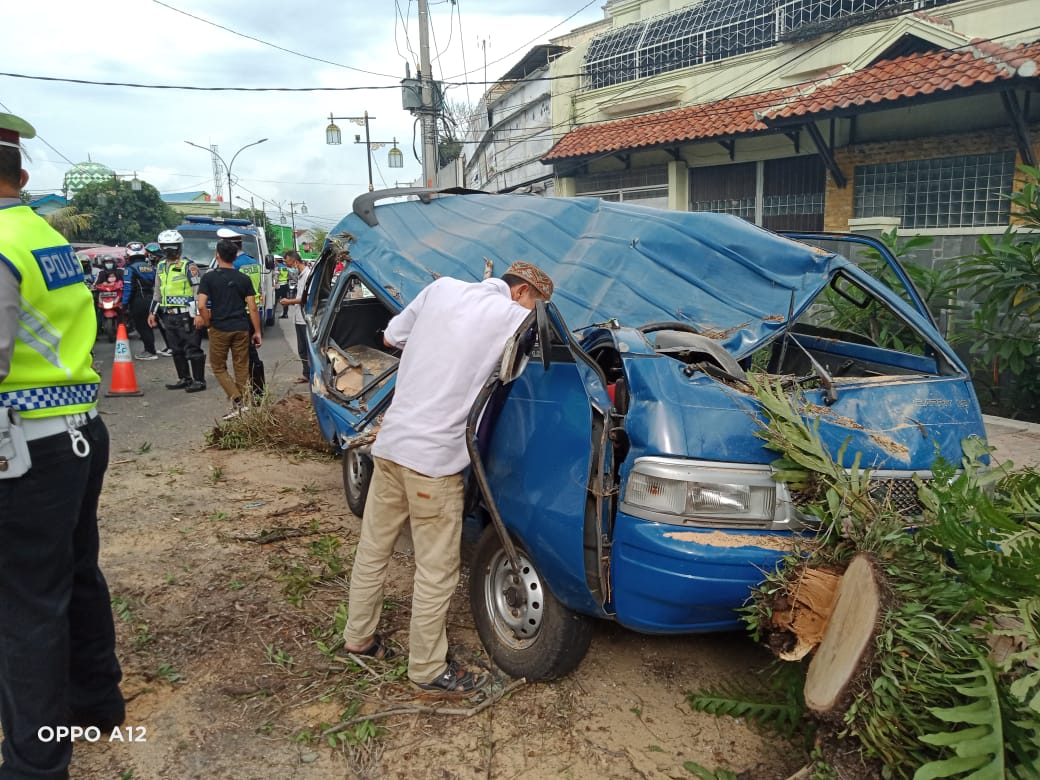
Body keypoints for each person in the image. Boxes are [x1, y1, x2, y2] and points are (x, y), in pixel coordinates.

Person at [341, 260, 554, 696]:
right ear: (523, 294)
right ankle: (426, 669)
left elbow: (391, 336)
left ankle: (358, 639)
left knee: (373, 548)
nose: (534, 311)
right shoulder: (516, 319)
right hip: (433, 464)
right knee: (436, 571)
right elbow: (515, 374)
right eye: (537, 303)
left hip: (391, 447)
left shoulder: (441, 291)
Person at [0, 111, 125, 779]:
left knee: (23, 606)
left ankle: (32, 763)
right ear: (20, 175)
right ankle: (95, 701)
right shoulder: (40, 235)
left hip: (23, 452)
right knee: (75, 574)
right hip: (77, 432)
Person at [197, 239, 262, 420]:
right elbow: (253, 307)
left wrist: (208, 324)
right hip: (242, 328)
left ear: (217, 255)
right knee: (241, 365)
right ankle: (242, 405)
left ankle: (237, 399)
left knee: (218, 366)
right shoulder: (244, 278)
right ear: (235, 256)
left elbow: (202, 306)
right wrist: (257, 331)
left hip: (220, 327)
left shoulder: (209, 277)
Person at [148, 229, 207, 392]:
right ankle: (184, 378)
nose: (169, 251)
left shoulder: (188, 266)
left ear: (179, 247)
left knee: (193, 348)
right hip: (169, 315)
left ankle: (199, 381)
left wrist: (197, 314)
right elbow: (157, 292)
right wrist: (152, 312)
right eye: (166, 247)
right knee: (176, 349)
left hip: (186, 315)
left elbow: (197, 290)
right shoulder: (160, 266)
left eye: (172, 247)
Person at [122, 241, 160, 360]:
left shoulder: (130, 269)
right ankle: (151, 349)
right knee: (148, 326)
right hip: (152, 299)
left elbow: (128, 288)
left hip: (138, 301)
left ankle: (150, 351)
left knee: (142, 327)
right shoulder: (150, 267)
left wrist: (124, 303)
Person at [279, 250, 312, 385]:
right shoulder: (300, 275)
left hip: (305, 318)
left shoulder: (308, 275)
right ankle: (306, 374)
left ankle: (313, 375)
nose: (287, 265)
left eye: (288, 263)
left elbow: (308, 298)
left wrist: (289, 302)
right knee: (302, 349)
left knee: (308, 349)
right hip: (299, 317)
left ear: (295, 262)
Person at [144, 242, 172, 356]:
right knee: (162, 324)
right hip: (159, 298)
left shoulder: (163, 264)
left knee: (166, 324)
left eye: (151, 254)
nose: (149, 257)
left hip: (164, 299)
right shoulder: (157, 264)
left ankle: (172, 347)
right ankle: (170, 346)